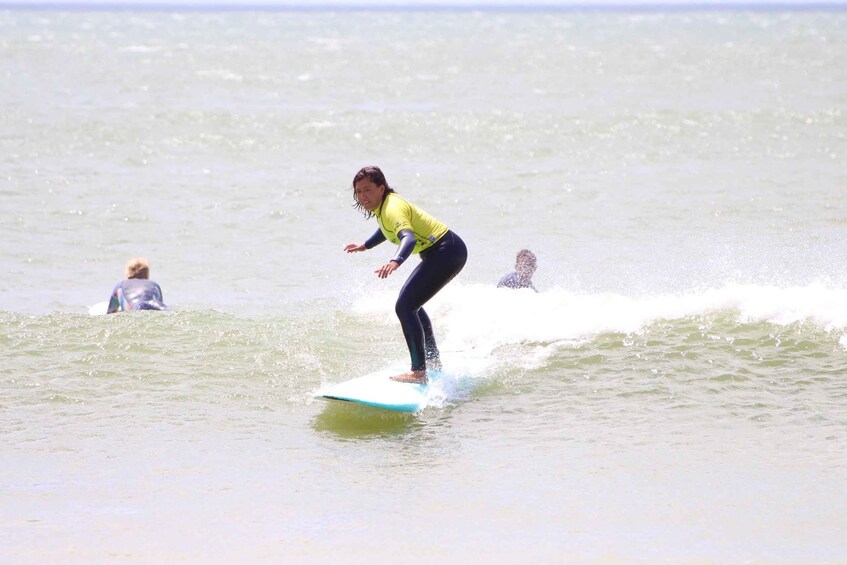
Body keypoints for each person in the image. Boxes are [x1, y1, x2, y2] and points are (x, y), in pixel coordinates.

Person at [344, 166, 467, 384]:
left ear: (381, 188)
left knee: (405, 306)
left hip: (447, 251)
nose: (363, 197)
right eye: (359, 192)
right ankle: (432, 361)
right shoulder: (384, 207)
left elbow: (407, 238)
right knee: (412, 305)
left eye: (368, 190)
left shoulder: (392, 208)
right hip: (444, 251)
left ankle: (419, 371)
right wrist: (366, 245)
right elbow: (386, 229)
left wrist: (395, 261)